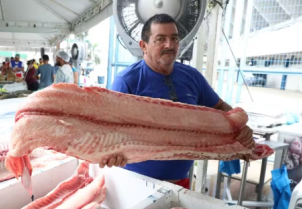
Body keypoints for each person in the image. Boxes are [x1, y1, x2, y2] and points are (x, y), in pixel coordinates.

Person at [102, 14, 254, 189]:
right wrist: (113, 155)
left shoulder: (192, 76)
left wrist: (239, 126)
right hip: (135, 184)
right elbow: (109, 132)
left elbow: (219, 106)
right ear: (143, 45)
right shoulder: (127, 81)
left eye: (174, 38)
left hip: (180, 183)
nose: (169, 45)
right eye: (160, 39)